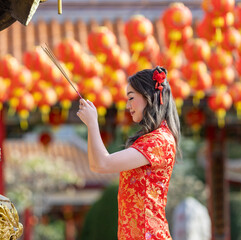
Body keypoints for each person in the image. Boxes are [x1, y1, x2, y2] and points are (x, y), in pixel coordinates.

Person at [77, 66, 180, 240]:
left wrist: (93, 124)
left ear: (148, 96)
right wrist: (90, 125)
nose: (127, 105)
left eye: (131, 98)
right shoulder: (154, 138)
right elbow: (97, 165)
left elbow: (103, 163)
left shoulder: (158, 140)